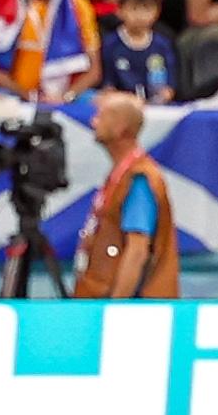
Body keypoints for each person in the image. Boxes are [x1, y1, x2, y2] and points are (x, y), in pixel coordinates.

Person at [70, 91, 178, 299]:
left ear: (121, 127)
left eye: (101, 116)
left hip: (130, 306)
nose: (93, 122)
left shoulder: (139, 179)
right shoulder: (120, 175)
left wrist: (116, 308)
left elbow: (137, 252)